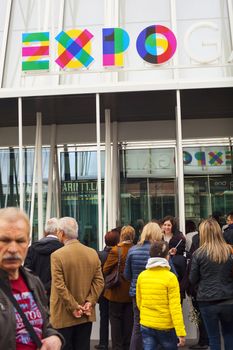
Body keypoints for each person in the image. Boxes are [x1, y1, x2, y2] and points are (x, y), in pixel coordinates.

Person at [0, 207, 64, 350]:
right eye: (5, 240)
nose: (13, 249)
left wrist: (55, 337)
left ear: (28, 242)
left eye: (20, 241)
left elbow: (45, 324)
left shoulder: (33, 281)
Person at [50, 216, 104, 350]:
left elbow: (59, 285)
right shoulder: (92, 253)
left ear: (61, 233)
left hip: (63, 314)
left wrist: (74, 306)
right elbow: (99, 281)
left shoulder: (57, 255)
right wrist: (90, 302)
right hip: (86, 313)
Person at [189, 218, 233, 350]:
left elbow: (192, 279)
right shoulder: (229, 251)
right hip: (228, 298)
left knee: (213, 338)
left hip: (207, 300)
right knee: (229, 334)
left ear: (203, 233)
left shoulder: (198, 254)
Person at [136, 241, 186, 349]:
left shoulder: (142, 276)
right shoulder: (171, 278)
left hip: (146, 323)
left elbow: (139, 302)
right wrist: (180, 332)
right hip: (166, 326)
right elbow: (175, 307)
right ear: (167, 257)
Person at [124, 222, 163, 350]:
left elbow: (127, 275)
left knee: (137, 325)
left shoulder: (133, 250)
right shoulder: (159, 250)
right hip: (156, 292)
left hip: (137, 293)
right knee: (156, 325)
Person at [103, 225, 135, 350]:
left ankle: (117, 346)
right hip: (131, 290)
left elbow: (105, 269)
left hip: (116, 290)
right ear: (133, 236)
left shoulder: (116, 250)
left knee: (115, 320)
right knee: (129, 321)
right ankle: (127, 345)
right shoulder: (135, 249)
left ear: (121, 235)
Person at [24, 217, 63, 299]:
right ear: (58, 231)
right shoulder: (63, 249)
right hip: (58, 294)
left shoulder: (32, 248)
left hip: (37, 293)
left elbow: (27, 271)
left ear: (45, 232)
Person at [95, 229, 120, 350]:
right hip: (115, 289)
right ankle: (117, 343)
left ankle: (103, 343)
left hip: (102, 290)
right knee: (116, 318)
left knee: (103, 317)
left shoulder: (99, 254)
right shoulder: (119, 254)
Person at [161, 216, 187, 299]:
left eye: (169, 225)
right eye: (165, 225)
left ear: (173, 226)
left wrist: (177, 251)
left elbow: (182, 252)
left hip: (175, 269)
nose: (166, 227)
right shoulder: (159, 237)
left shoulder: (178, 238)